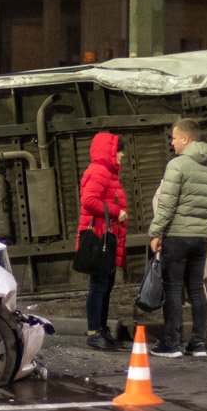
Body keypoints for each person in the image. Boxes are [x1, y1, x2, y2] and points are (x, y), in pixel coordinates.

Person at [148, 118, 207, 358]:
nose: (172, 143)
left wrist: (156, 232)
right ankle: (199, 343)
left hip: (177, 236)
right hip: (201, 238)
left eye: (174, 138)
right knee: (196, 289)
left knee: (173, 289)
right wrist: (206, 229)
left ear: (186, 138)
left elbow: (167, 204)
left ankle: (172, 344)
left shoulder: (177, 165)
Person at [77, 131, 129, 351]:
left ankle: (100, 329)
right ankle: (93, 332)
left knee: (105, 286)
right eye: (119, 150)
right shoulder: (99, 171)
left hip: (107, 236)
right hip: (99, 237)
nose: (122, 155)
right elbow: (89, 200)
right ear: (109, 151)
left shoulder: (108, 173)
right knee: (98, 286)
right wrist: (116, 212)